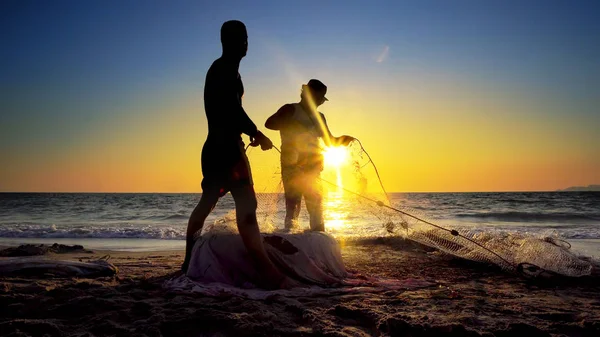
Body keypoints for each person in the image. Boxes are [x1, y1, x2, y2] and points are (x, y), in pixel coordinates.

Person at [182, 20, 293, 289]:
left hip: (213, 149)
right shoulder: (225, 70)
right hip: (228, 149)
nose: (245, 43)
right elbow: (231, 109)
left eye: (245, 37)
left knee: (206, 203)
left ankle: (187, 262)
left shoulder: (222, 70)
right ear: (227, 41)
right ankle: (265, 270)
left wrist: (248, 133)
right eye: (240, 38)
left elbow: (226, 111)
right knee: (248, 207)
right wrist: (256, 132)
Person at [265, 79, 354, 231]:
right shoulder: (290, 109)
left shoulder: (321, 117)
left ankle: (319, 235)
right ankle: (290, 235)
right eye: (319, 98)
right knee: (293, 202)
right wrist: (290, 124)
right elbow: (269, 123)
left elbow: (330, 141)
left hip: (314, 165)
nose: (321, 102)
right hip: (292, 164)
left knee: (316, 203)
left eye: (322, 99)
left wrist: (342, 140)